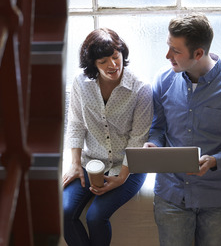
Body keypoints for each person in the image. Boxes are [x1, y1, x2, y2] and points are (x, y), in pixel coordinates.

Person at [144, 13, 221, 246]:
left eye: (175, 51)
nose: (168, 56)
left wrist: (214, 161)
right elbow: (158, 128)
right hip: (171, 194)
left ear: (198, 53)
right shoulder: (163, 81)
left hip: (218, 198)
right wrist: (153, 144)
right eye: (169, 46)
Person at [62, 28, 153, 246]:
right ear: (93, 63)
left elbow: (138, 139)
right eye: (103, 61)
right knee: (64, 213)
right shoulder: (80, 84)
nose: (112, 65)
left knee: (95, 217)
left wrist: (121, 177)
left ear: (122, 53)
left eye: (115, 56)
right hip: (90, 162)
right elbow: (75, 123)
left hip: (129, 167)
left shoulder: (141, 89)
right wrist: (75, 164)